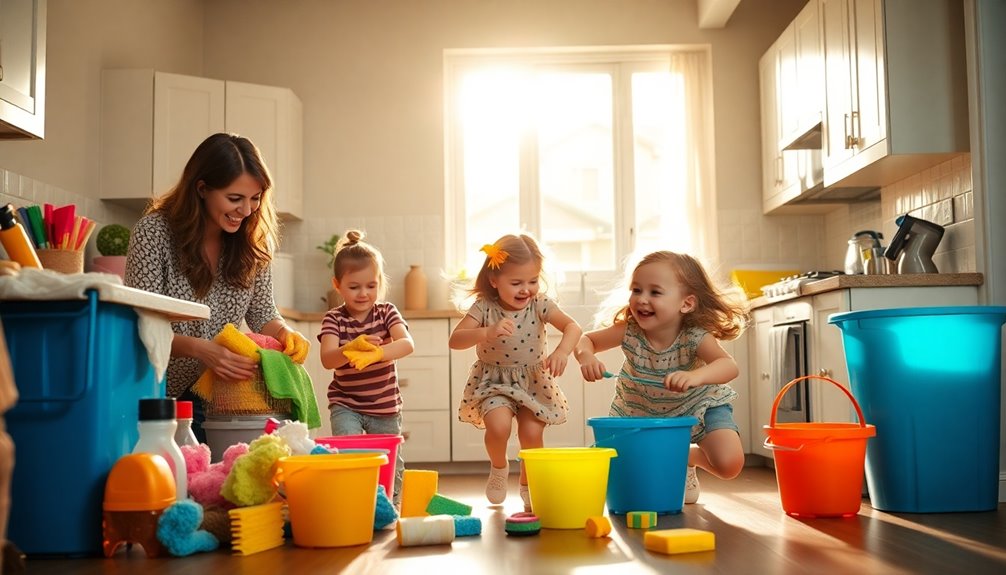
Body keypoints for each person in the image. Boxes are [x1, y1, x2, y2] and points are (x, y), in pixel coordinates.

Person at [125, 133, 309, 442]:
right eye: (235, 198)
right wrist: (202, 350)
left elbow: (263, 312)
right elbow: (142, 325)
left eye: (255, 198)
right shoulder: (154, 232)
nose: (247, 210)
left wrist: (285, 333)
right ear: (202, 189)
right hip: (153, 391)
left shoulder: (253, 241)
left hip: (212, 391)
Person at [574, 251, 748, 504]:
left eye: (655, 292)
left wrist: (696, 376)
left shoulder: (694, 336)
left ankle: (687, 457)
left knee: (729, 464)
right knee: (631, 469)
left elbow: (728, 366)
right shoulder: (629, 330)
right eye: (636, 290)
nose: (642, 299)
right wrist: (586, 357)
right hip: (642, 408)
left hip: (700, 404)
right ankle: (675, 457)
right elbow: (586, 340)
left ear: (686, 303)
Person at [449, 234, 582, 511]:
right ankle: (499, 467)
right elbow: (456, 339)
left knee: (531, 435)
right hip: (494, 381)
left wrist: (561, 352)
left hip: (533, 382)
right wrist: (486, 331)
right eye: (517, 283)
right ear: (494, 280)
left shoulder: (540, 304)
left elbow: (573, 328)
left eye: (532, 281)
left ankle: (527, 483)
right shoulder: (485, 307)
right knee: (498, 428)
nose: (526, 289)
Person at [317, 230, 414, 504]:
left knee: (389, 461)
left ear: (379, 283)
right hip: (345, 403)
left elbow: (407, 344)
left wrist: (377, 355)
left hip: (384, 405)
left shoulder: (386, 313)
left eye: (371, 285)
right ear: (338, 285)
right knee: (349, 454)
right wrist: (352, 347)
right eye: (354, 286)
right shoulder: (333, 319)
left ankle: (388, 505)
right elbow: (328, 359)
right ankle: (354, 501)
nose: (364, 293)